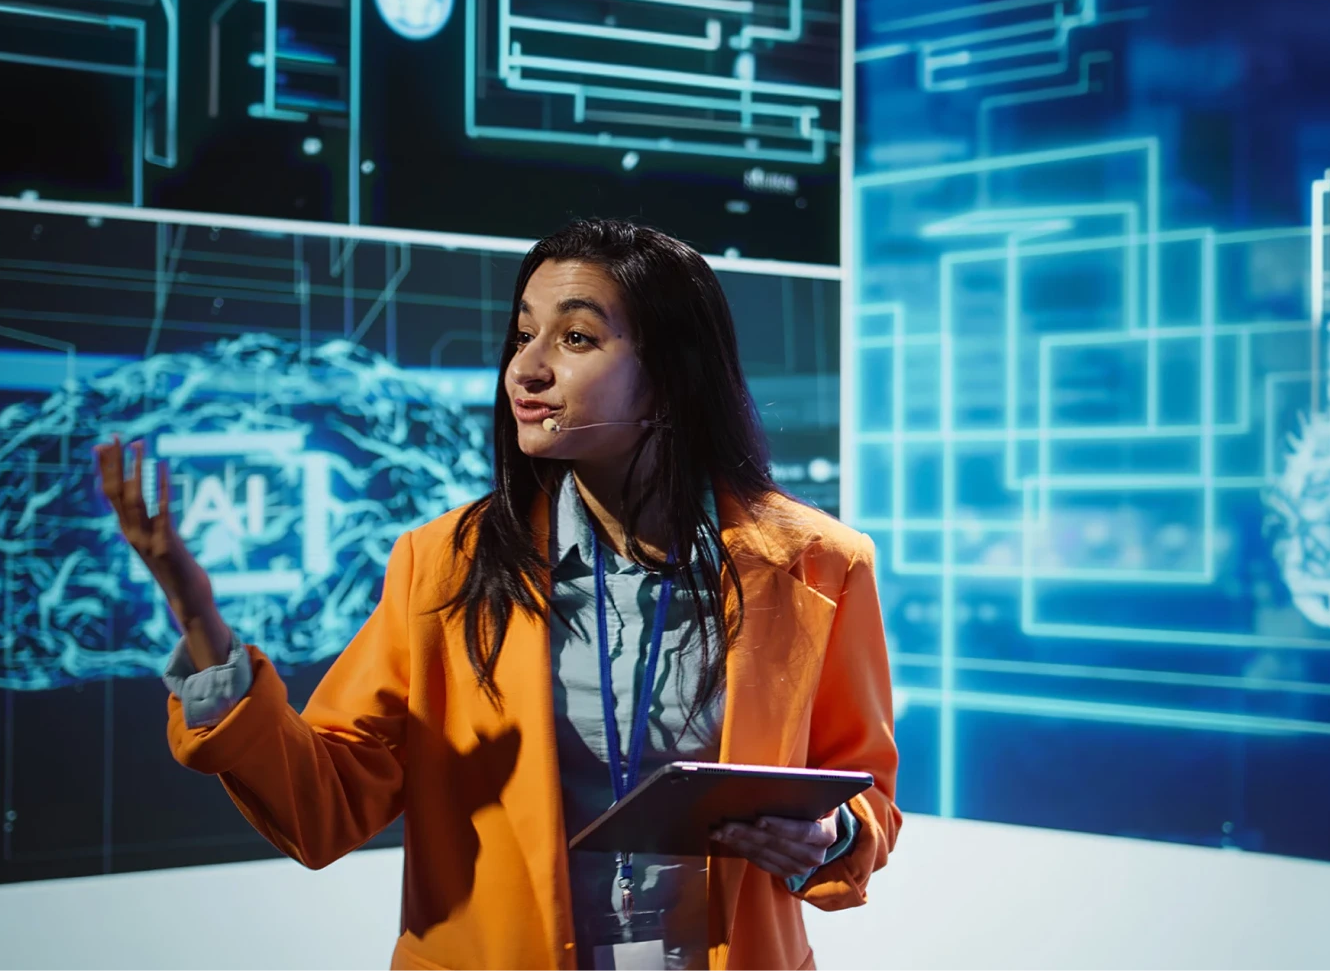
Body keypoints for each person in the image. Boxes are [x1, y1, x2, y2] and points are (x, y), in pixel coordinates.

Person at [97, 219, 899, 970]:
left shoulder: (820, 566)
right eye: (524, 334)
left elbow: (865, 796)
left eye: (576, 337)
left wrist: (829, 839)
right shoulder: (445, 564)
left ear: (671, 375)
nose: (526, 367)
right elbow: (325, 805)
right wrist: (199, 620)